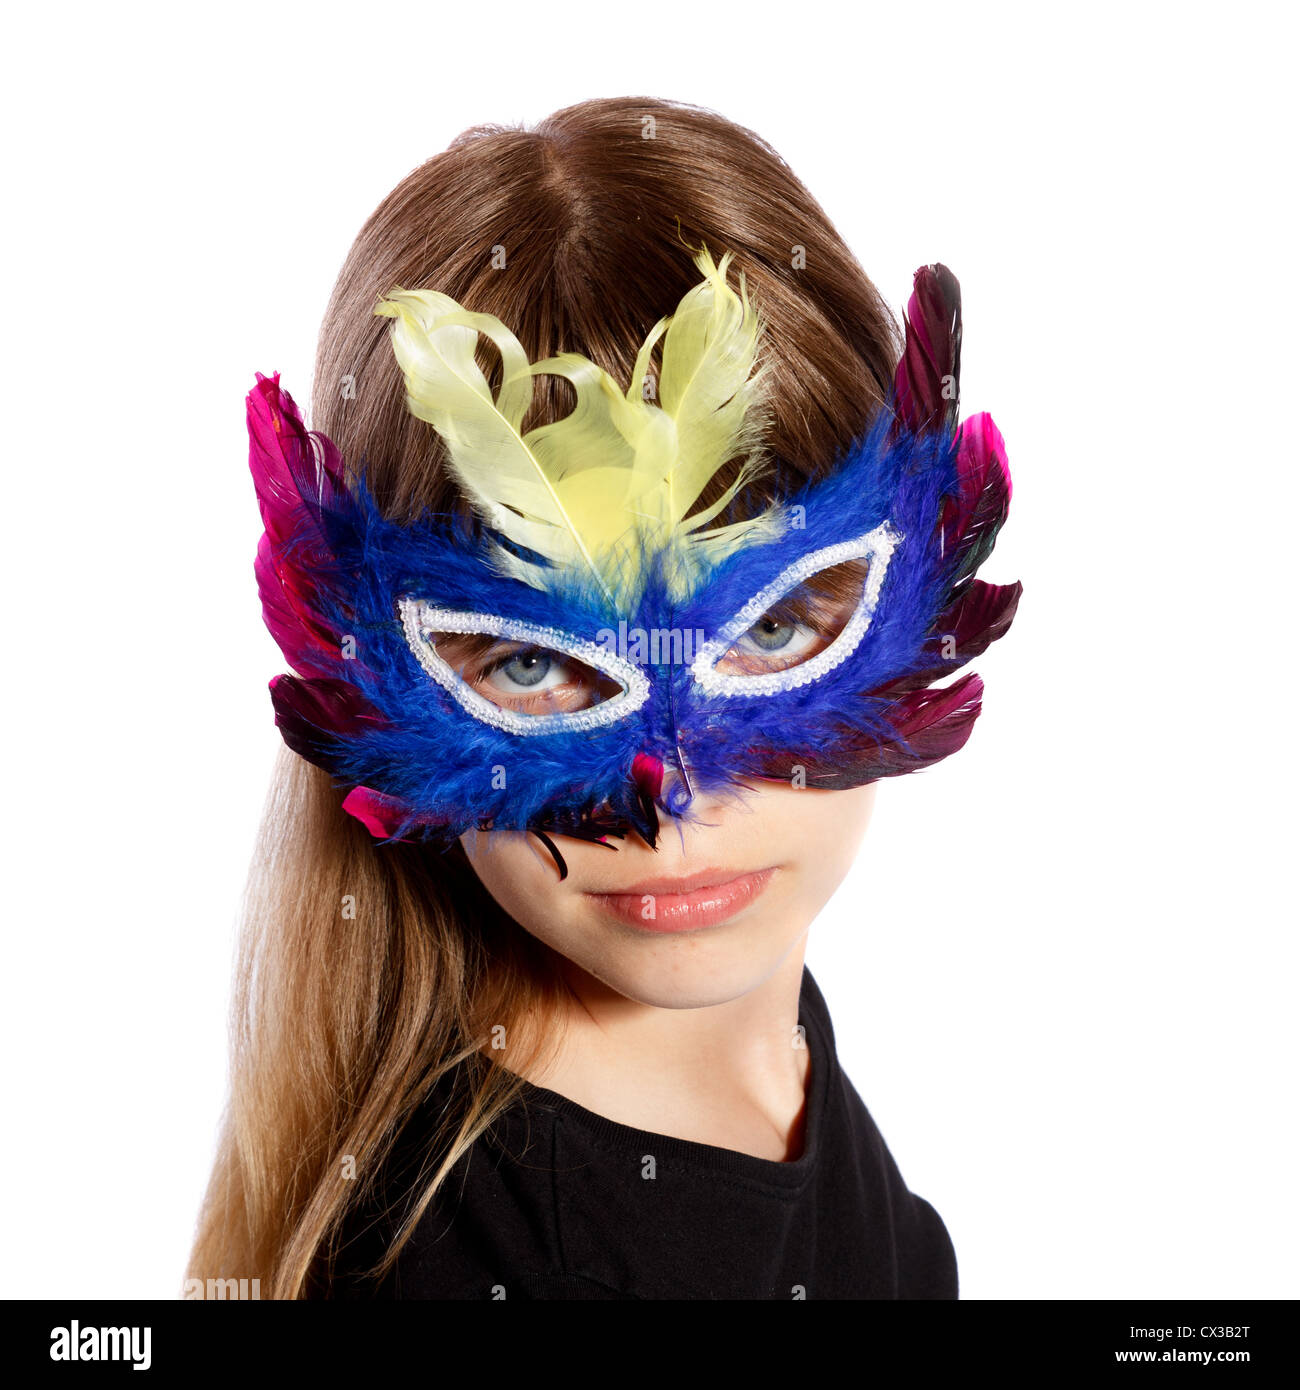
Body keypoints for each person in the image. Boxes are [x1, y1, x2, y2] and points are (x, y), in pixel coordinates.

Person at [187, 95, 1019, 1300]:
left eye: (775, 624)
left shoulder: (765, 1043)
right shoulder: (456, 1257)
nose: (673, 802)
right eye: (528, 662)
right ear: (367, 674)